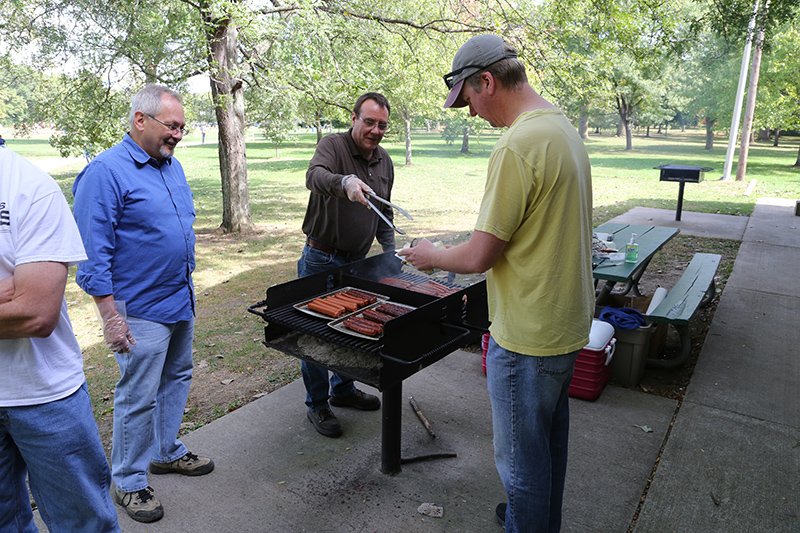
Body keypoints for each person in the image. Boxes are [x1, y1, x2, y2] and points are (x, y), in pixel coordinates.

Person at [399, 35, 594, 532]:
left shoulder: (517, 144)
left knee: (521, 469)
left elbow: (480, 254)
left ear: (488, 81)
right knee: (548, 447)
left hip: (527, 333)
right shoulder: (562, 129)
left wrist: (430, 255)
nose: (469, 111)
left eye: (467, 97)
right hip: (565, 324)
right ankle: (537, 521)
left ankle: (526, 519)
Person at [72, 84, 213, 524]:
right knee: (138, 395)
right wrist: (111, 317)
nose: (179, 135)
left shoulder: (170, 165)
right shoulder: (105, 172)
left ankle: (166, 451)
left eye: (182, 128)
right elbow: (92, 253)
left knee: (177, 377)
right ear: (140, 120)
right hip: (140, 310)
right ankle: (129, 481)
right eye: (172, 127)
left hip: (179, 298)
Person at [0, 148, 120, 532]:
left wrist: (24, 296)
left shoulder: (29, 186)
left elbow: (35, 313)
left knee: (83, 523)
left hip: (45, 396)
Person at [298, 92, 396, 438]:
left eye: (382, 124)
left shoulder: (384, 162)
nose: (375, 129)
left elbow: (385, 213)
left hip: (358, 262)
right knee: (314, 333)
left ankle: (343, 390)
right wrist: (345, 183)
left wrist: (391, 253)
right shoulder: (333, 146)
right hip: (321, 257)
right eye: (368, 121)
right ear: (354, 118)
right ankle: (318, 405)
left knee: (353, 327)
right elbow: (314, 176)